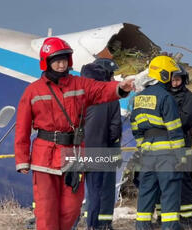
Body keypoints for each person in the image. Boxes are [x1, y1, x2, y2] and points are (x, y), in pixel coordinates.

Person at [15, 37, 134, 230]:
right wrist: (22, 159)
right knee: (46, 209)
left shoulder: (80, 84)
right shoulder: (33, 91)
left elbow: (100, 90)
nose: (61, 65)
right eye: (57, 60)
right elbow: (22, 126)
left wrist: (120, 88)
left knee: (71, 209)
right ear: (47, 62)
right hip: (45, 155)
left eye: (64, 60)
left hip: (73, 155)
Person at [130, 55, 186, 230]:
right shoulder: (166, 97)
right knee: (169, 192)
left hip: (147, 153)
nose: (172, 79)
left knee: (146, 192)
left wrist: (144, 146)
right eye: (171, 75)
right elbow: (175, 129)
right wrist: (180, 157)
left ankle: (142, 226)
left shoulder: (138, 98)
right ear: (163, 75)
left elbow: (135, 127)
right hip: (167, 154)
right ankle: (170, 227)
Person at [73, 58, 122, 230]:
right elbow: (115, 129)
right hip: (99, 151)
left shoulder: (74, 95)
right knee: (95, 192)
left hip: (74, 151)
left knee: (71, 192)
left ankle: (70, 225)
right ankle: (93, 226)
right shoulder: (111, 97)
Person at [154, 64, 192, 228]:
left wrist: (163, 121)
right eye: (171, 80)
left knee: (182, 182)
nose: (174, 83)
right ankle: (162, 217)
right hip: (160, 146)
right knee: (160, 182)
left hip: (181, 145)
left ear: (183, 80)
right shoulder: (162, 96)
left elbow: (183, 121)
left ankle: (186, 219)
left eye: (177, 80)